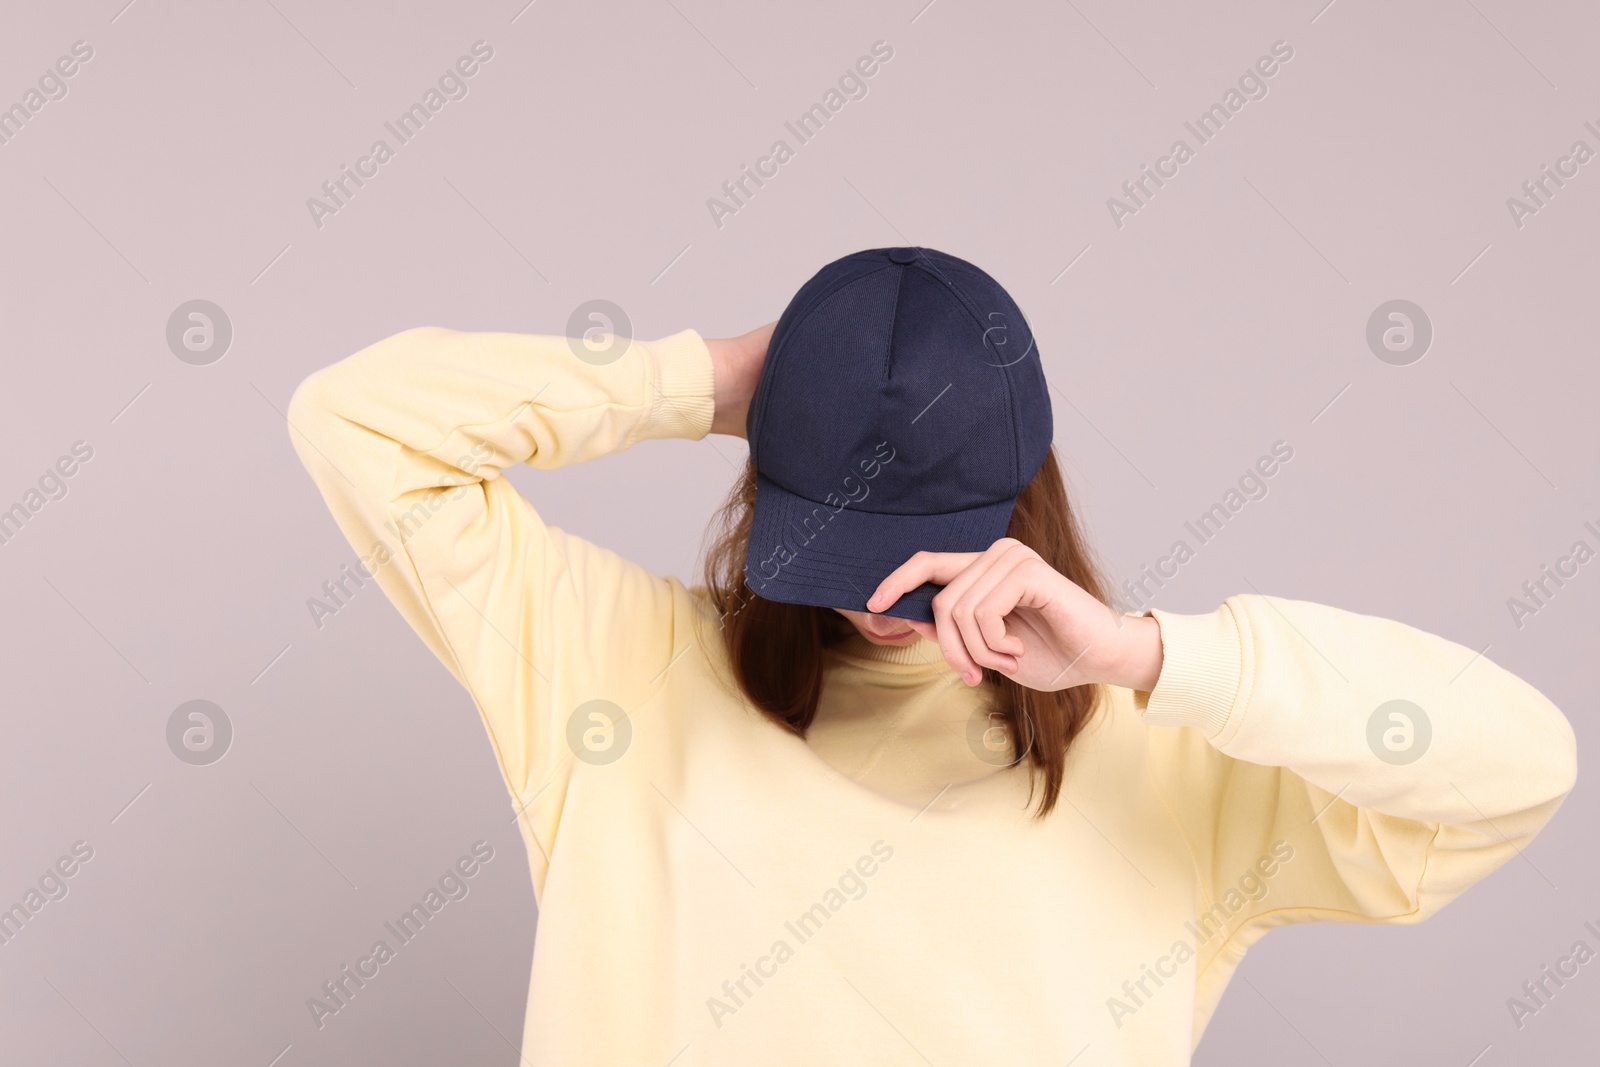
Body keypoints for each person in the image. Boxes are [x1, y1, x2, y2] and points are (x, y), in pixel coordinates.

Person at [288, 246, 1576, 1065]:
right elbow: (353, 424)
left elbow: (1519, 764)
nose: (881, 600)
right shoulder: (612, 672)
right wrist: (723, 381)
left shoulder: (1173, 755)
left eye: (919, 547)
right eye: (840, 543)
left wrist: (1143, 657)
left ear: (1023, 500)